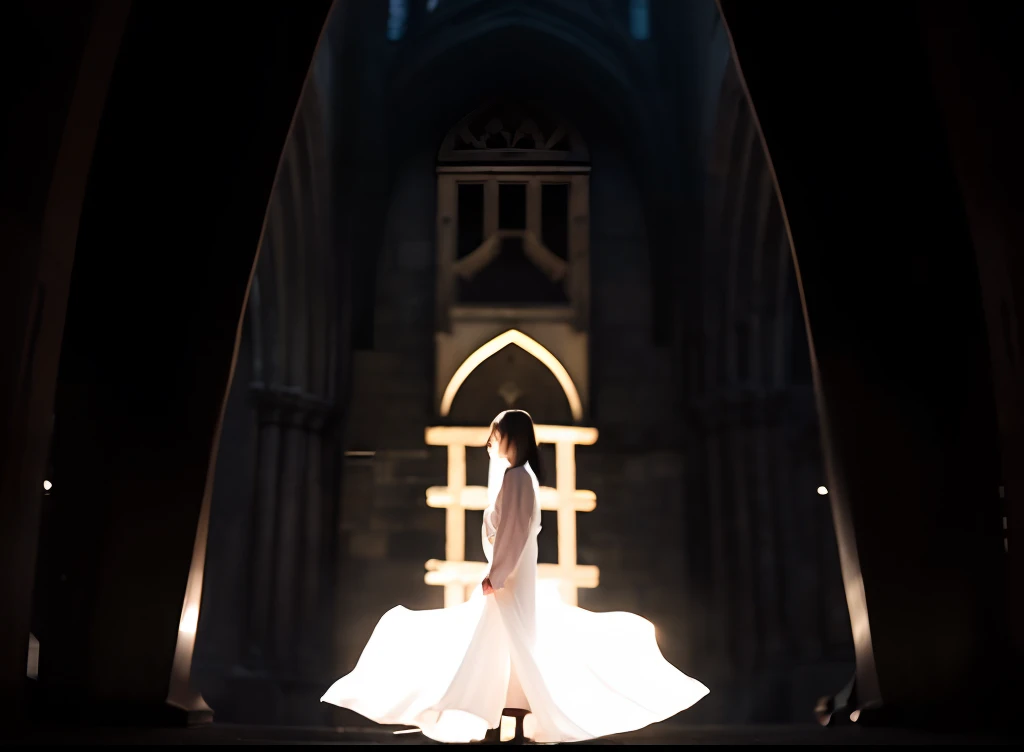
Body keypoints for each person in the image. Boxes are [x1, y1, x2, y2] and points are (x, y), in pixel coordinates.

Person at [321, 410, 709, 743]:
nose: (491, 442)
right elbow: (512, 529)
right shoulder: (519, 476)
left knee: (507, 639)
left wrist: (498, 574)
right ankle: (504, 717)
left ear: (510, 439)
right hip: (512, 573)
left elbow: (515, 529)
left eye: (496, 436)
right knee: (505, 642)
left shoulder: (518, 477)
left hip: (512, 574)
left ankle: (500, 716)